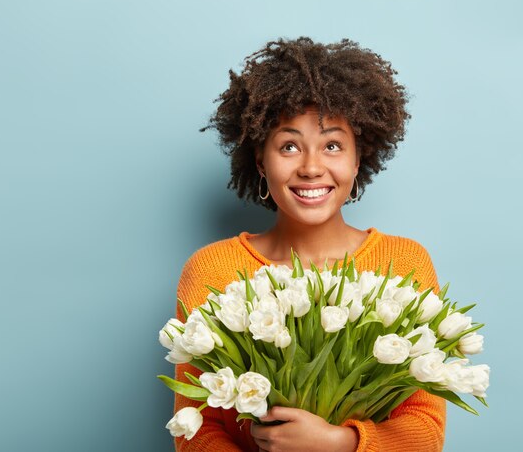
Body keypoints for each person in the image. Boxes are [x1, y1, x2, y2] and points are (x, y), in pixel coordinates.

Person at [172, 38, 446, 452]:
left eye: (332, 145)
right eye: (289, 146)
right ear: (261, 162)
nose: (312, 167)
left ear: (358, 159)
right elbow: (197, 428)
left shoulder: (405, 263)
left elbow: (426, 428)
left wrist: (340, 443)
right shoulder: (213, 270)